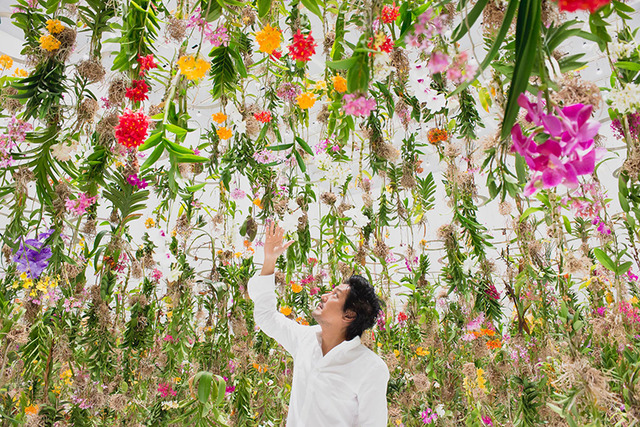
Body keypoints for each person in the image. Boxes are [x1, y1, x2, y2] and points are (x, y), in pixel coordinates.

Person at [247, 222, 389, 427]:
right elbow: (267, 316)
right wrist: (269, 261)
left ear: (349, 315)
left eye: (335, 295)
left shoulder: (370, 369)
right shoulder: (306, 340)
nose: (324, 296)